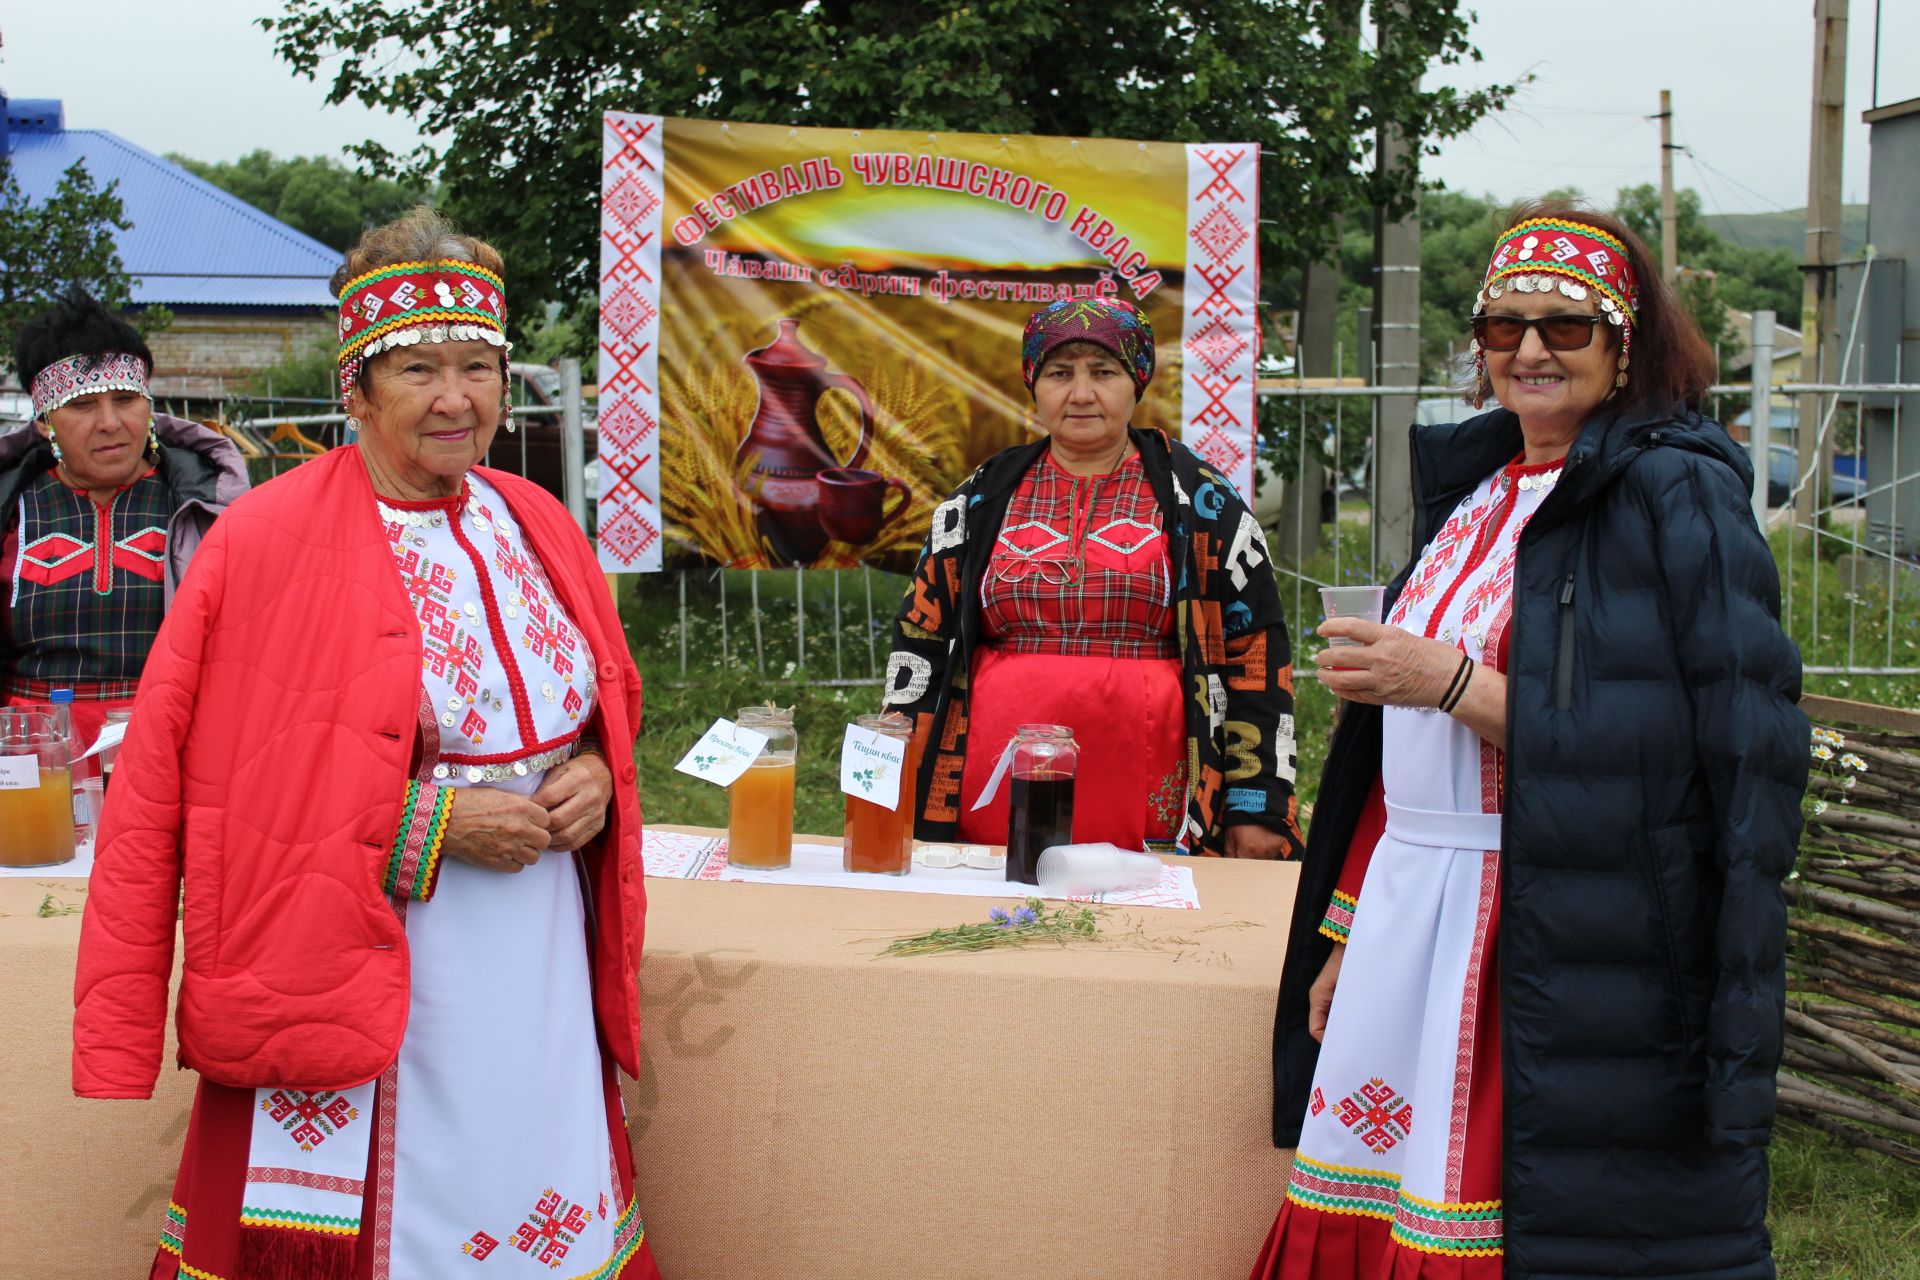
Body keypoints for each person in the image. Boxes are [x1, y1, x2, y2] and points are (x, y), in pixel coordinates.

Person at [72, 208, 661, 1280]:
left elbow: (599, 699)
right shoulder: (264, 541)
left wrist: (592, 778)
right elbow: (205, 788)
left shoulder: (536, 518)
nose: (456, 397)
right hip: (359, 952)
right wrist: (429, 818)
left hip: (535, 951)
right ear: (356, 390)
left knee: (527, 1182)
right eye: (419, 369)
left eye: (480, 366)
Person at [1253, 204, 1808, 1278]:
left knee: (1507, 1210)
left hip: (1545, 905)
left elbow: (1689, 743)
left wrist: (1449, 679)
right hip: (1414, 897)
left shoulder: (1673, 489)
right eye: (1504, 327)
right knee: (1371, 1180)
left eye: (1567, 325)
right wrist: (1346, 933)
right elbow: (1397, 771)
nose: (1532, 350)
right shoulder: (1480, 489)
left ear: (1627, 342)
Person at [882, 296, 1304, 859]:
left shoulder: (1203, 502)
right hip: (994, 773)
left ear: (1137, 383)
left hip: (1149, 770)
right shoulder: (980, 500)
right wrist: (892, 771)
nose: (1081, 393)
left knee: (1146, 931)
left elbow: (1255, 649)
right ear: (1034, 385)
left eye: (1103, 372)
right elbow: (922, 639)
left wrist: (1257, 802)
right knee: (997, 922)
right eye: (1060, 373)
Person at [3, 289, 248, 753]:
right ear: (43, 423)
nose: (110, 422)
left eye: (126, 399)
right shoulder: (11, 507)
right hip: (32, 753)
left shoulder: (210, 508)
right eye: (81, 406)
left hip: (174, 742)